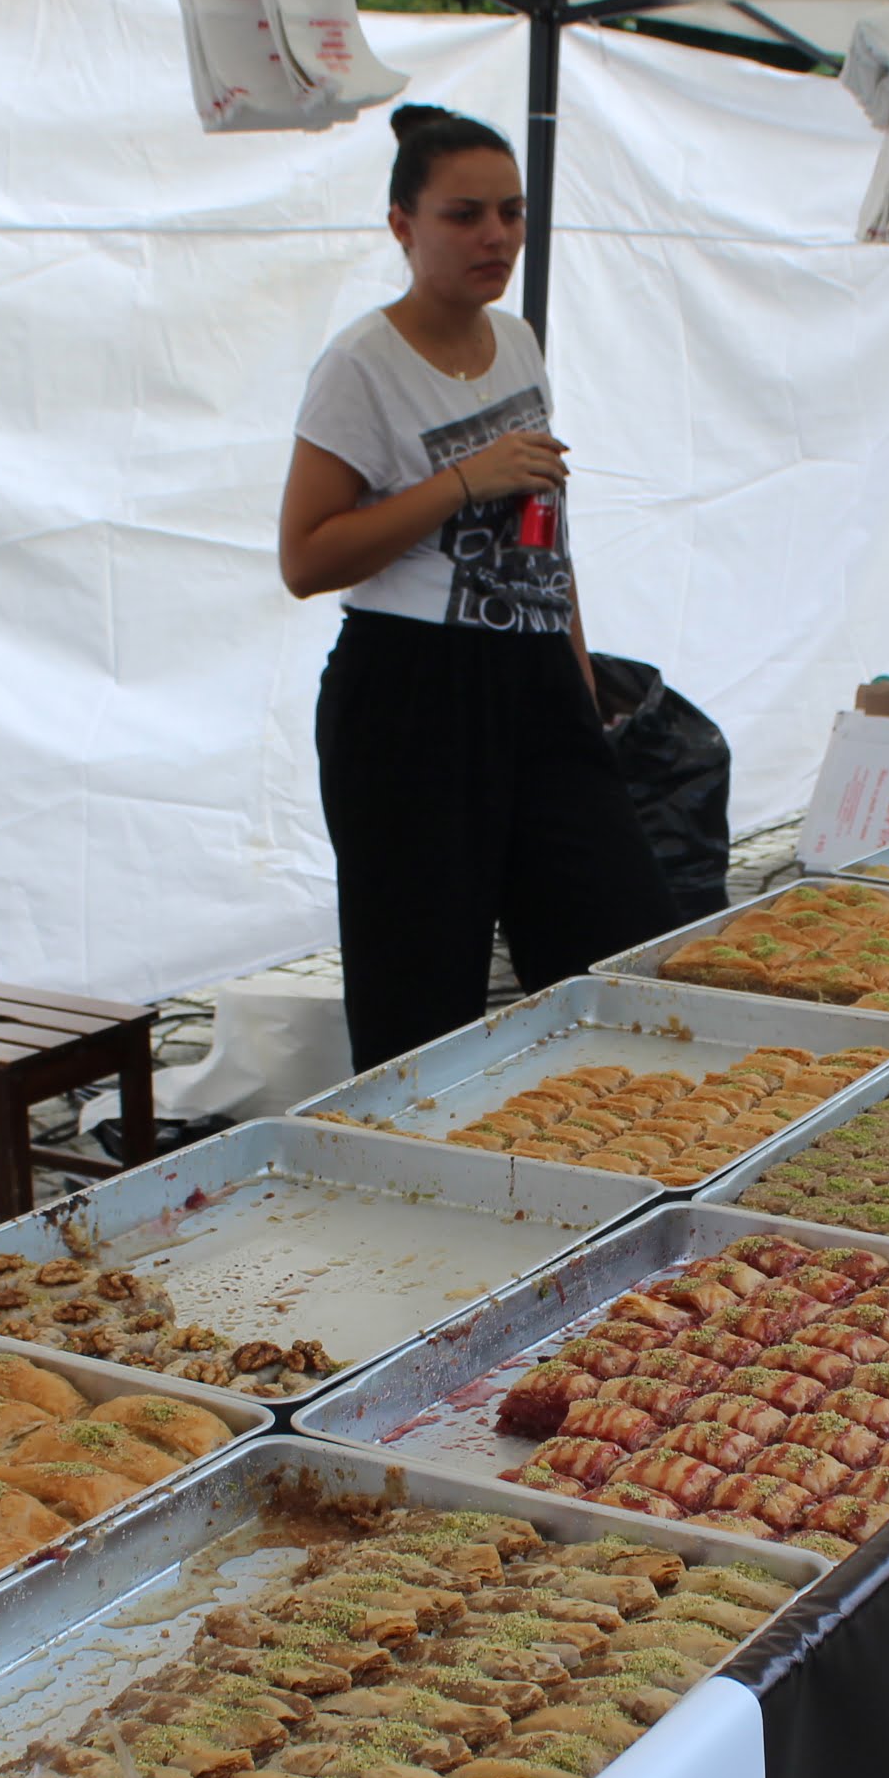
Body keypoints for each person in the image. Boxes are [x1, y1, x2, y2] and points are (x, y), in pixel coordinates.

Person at [278, 104, 677, 1070]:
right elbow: (306, 559)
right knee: (420, 993)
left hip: (537, 682)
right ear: (402, 225)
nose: (495, 235)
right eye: (464, 215)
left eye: (511, 211)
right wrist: (461, 481)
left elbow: (546, 535)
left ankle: (603, 1135)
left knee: (619, 947)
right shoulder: (362, 365)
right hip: (411, 693)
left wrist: (576, 676)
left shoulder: (518, 341)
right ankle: (419, 1155)